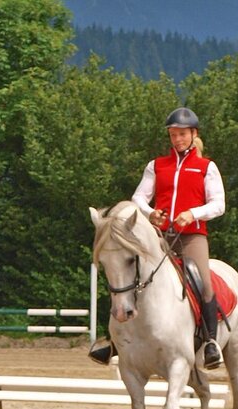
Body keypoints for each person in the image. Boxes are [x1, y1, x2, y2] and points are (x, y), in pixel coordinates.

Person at [89, 107, 226, 369]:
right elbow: (139, 198)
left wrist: (193, 213)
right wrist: (152, 214)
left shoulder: (206, 167)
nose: (177, 139)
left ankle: (210, 342)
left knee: (203, 283)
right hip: (159, 236)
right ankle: (113, 341)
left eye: (182, 134)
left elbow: (218, 204)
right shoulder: (156, 165)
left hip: (192, 235)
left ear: (193, 134)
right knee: (124, 275)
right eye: (173, 135)